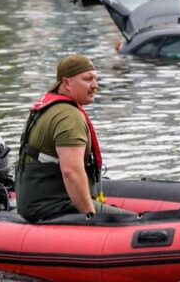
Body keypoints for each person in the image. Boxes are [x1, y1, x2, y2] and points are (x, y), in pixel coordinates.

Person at [15, 54, 136, 222]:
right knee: (133, 221)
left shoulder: (48, 108)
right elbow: (71, 172)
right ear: (66, 83)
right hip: (54, 206)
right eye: (88, 79)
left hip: (35, 204)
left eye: (95, 79)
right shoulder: (69, 117)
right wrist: (91, 216)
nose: (95, 86)